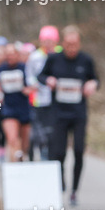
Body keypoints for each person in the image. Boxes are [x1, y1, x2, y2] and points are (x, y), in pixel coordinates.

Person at [37, 25, 98, 206]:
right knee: (58, 152)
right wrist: (48, 80)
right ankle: (61, 183)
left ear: (79, 43)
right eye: (68, 44)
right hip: (59, 113)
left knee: (79, 151)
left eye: (75, 44)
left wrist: (93, 84)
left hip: (79, 113)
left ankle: (74, 191)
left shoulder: (86, 60)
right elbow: (40, 76)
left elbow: (95, 79)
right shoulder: (54, 59)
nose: (72, 48)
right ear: (63, 43)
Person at [26, 25, 60, 161]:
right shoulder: (35, 56)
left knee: (54, 132)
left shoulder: (60, 54)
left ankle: (54, 157)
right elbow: (29, 75)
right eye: (45, 40)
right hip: (39, 99)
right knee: (41, 133)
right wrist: (33, 83)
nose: (48, 43)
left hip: (57, 100)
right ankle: (43, 156)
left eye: (50, 40)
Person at [0, 43, 32, 161]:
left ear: (17, 54)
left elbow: (32, 84)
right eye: (8, 54)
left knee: (24, 143)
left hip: (24, 107)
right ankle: (15, 165)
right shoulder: (1, 69)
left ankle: (21, 160)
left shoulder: (24, 67)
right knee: (12, 139)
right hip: (8, 107)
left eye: (12, 54)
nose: (10, 56)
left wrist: (28, 90)